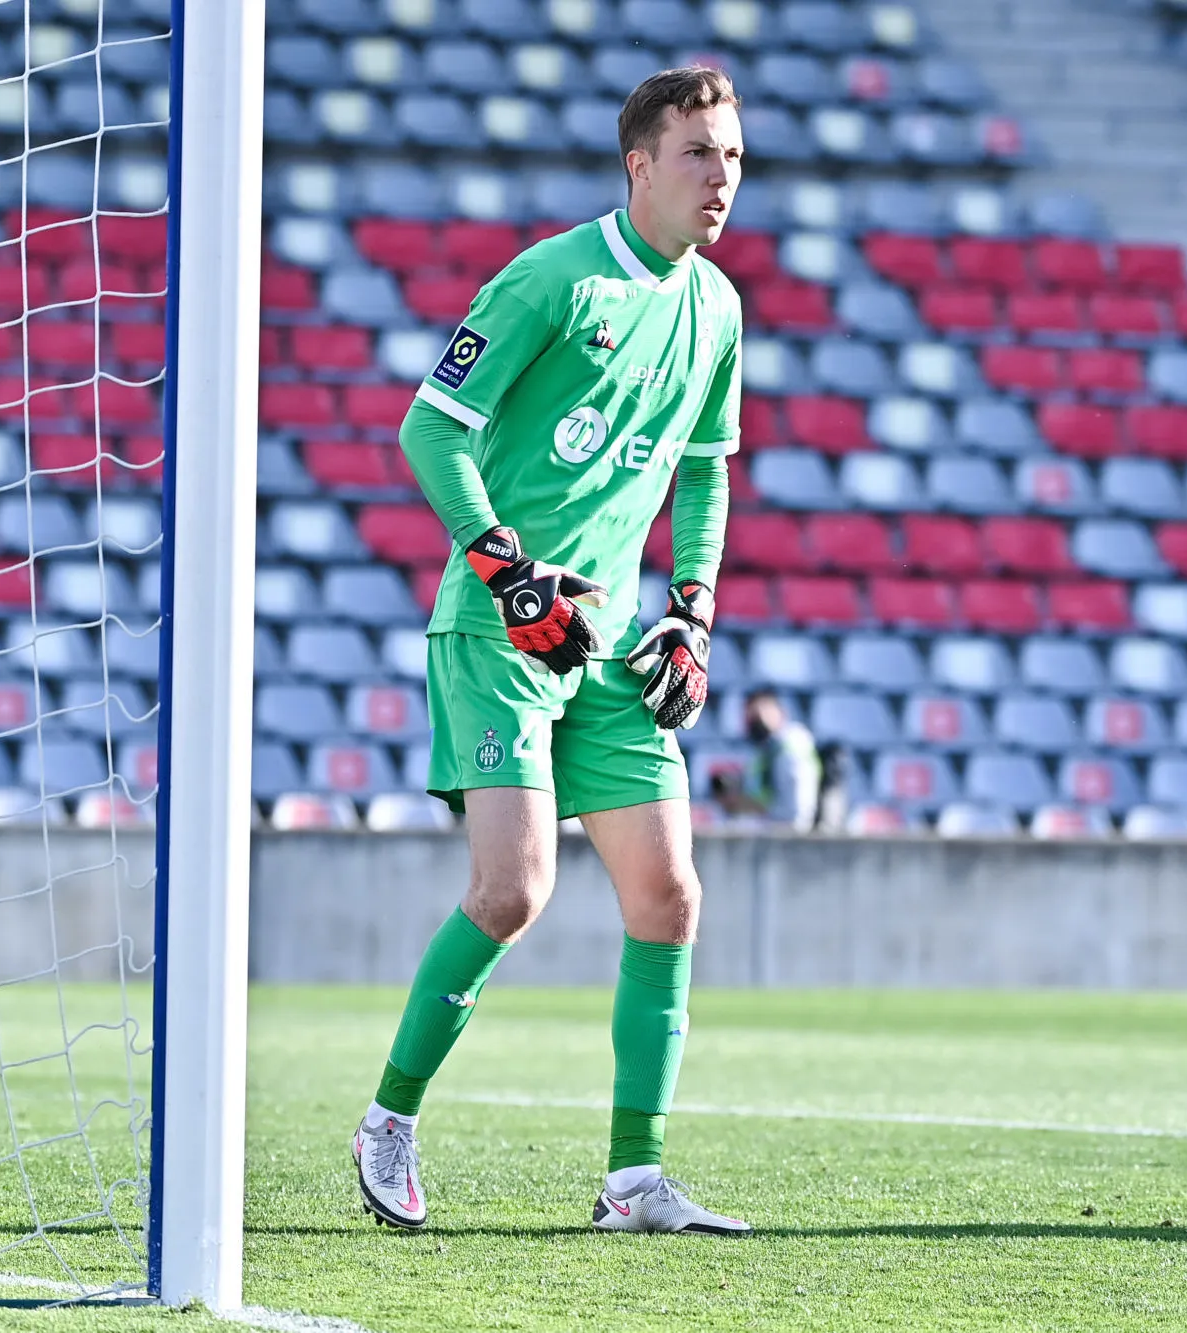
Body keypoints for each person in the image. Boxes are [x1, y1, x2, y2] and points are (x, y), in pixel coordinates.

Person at [349, 67, 750, 1238]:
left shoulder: (716, 307)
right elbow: (429, 427)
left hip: (609, 640)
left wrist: (691, 609)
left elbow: (703, 470)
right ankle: (387, 1119)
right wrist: (505, 569)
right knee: (512, 890)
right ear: (639, 165)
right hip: (498, 628)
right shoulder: (552, 279)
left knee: (667, 895)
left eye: (731, 155)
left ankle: (634, 1180)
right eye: (697, 153)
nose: (720, 177)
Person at [712, 690, 824, 832]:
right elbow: (766, 799)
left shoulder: (791, 748)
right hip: (773, 830)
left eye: (760, 715)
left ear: (779, 713)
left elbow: (796, 812)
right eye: (750, 717)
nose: (755, 723)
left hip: (787, 835)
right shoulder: (767, 750)